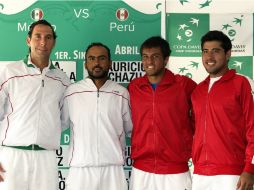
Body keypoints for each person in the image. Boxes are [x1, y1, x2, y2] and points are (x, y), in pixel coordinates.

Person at [0, 19, 70, 190]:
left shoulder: (62, 79)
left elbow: (64, 120)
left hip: (46, 157)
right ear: (28, 40)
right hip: (12, 155)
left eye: (48, 37)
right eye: (37, 36)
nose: (43, 42)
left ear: (54, 42)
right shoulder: (10, 72)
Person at [128, 36, 197, 190]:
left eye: (155, 57)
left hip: (175, 170)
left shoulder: (183, 85)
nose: (149, 62)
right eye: (145, 57)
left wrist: (187, 134)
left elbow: (205, 112)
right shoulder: (134, 87)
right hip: (142, 170)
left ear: (166, 59)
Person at [61, 42, 132, 190]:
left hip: (113, 169)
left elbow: (130, 129)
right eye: (92, 59)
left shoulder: (121, 93)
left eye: (102, 58)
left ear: (110, 63)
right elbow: (61, 123)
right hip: (80, 169)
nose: (97, 63)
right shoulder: (72, 92)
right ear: (86, 64)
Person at [191, 30, 254, 190]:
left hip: (232, 174)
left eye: (215, 51)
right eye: (205, 51)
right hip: (200, 175)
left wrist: (250, 168)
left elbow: (252, 128)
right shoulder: (198, 91)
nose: (209, 57)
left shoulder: (242, 83)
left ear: (228, 54)